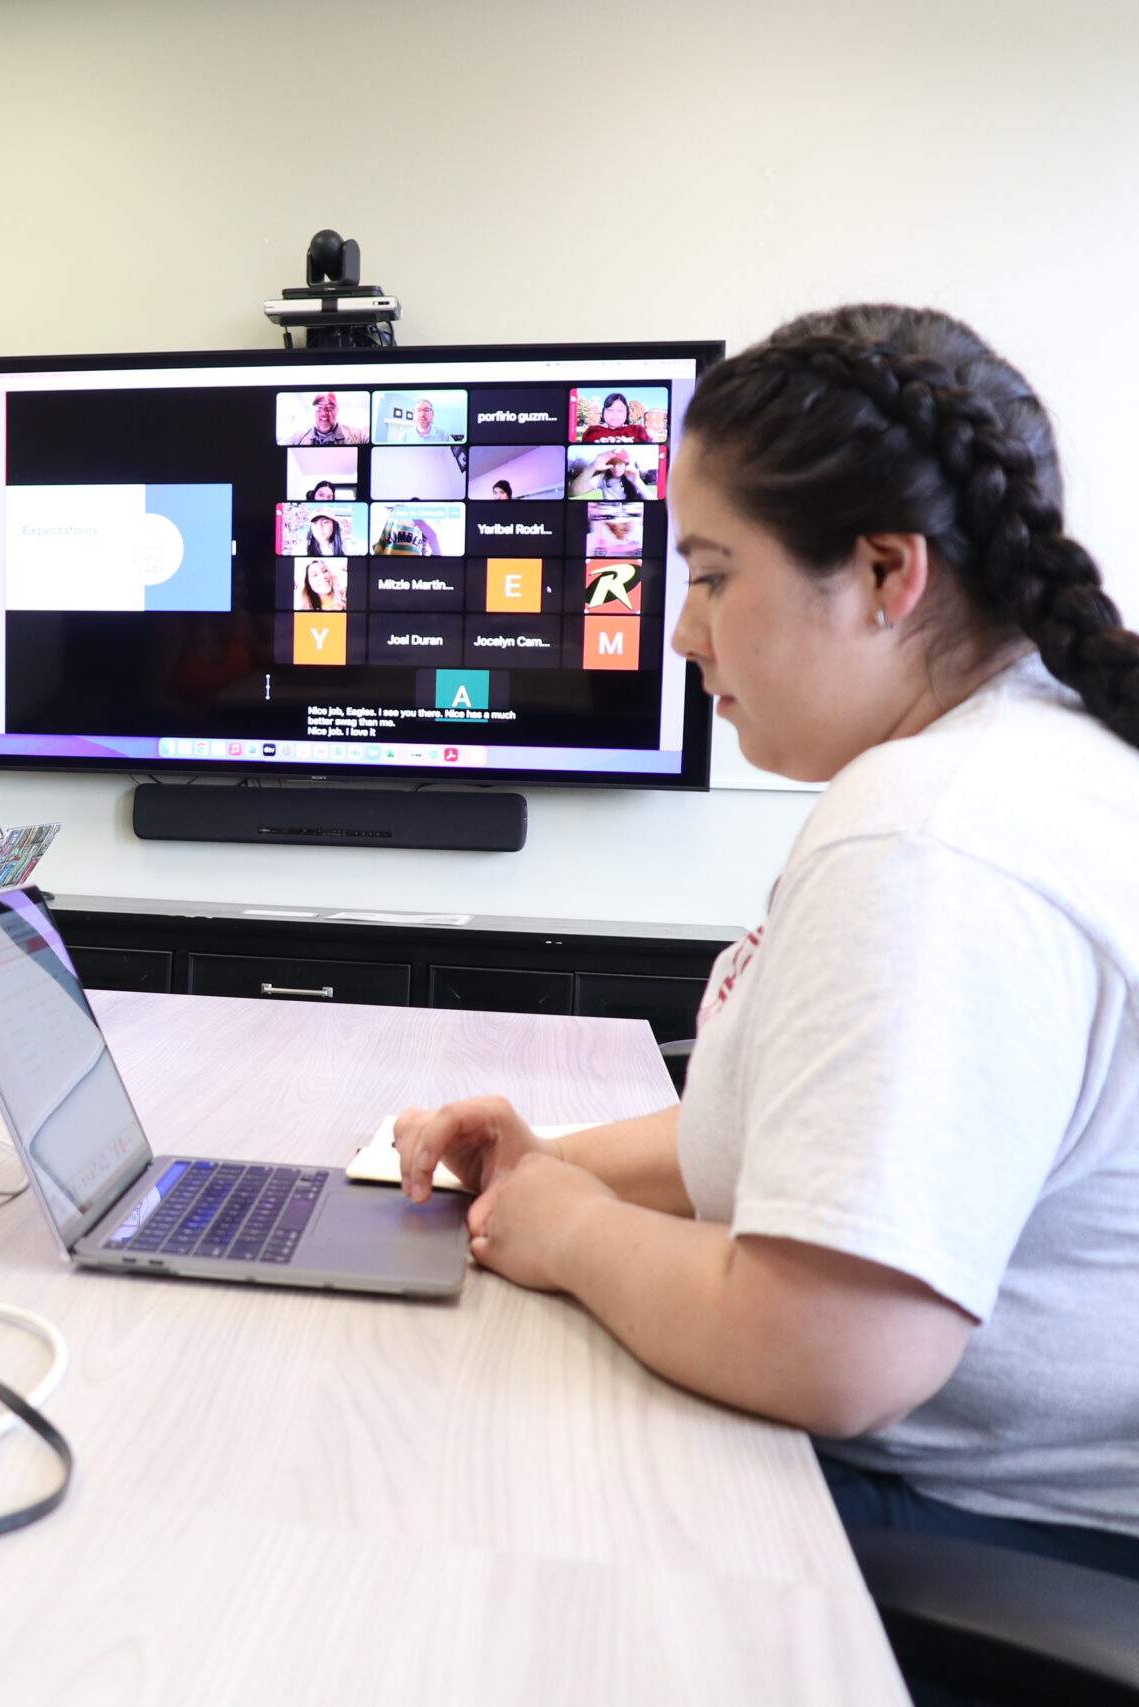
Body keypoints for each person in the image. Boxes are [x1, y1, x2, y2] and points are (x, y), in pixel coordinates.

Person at [394, 305, 1139, 1588]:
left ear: (885, 574)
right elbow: (818, 1152)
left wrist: (568, 1229)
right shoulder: (1023, 756)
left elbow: (830, 1351)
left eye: (714, 574)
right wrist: (542, 1166)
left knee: (435, 1520)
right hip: (994, 1503)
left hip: (985, 1548)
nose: (683, 632)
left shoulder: (930, 840)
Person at [287, 391, 367, 446]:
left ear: (337, 411)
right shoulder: (297, 437)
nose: (324, 413)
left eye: (329, 407)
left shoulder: (358, 436)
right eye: (319, 407)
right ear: (314, 411)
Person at [580, 390, 653, 443]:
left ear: (627, 413)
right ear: (603, 413)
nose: (615, 414)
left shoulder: (638, 430)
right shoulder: (592, 431)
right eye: (610, 410)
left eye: (620, 410)